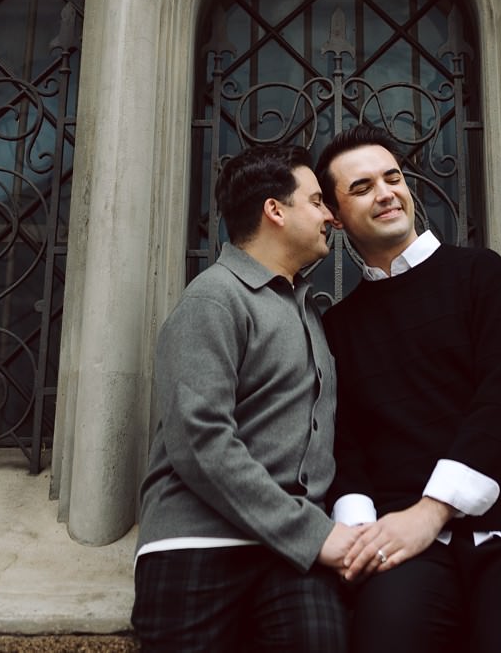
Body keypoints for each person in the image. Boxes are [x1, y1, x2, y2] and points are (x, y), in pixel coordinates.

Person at [317, 124, 501, 653]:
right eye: (363, 187)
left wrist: (433, 509)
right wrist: (360, 535)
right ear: (335, 215)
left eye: (392, 178)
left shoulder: (480, 274)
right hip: (404, 544)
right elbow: (343, 441)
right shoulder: (340, 326)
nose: (386, 192)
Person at [132, 143, 359, 652]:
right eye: (318, 201)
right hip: (198, 546)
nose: (331, 217)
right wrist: (314, 534)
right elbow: (200, 441)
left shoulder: (305, 309)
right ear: (275, 210)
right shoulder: (214, 297)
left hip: (292, 553)